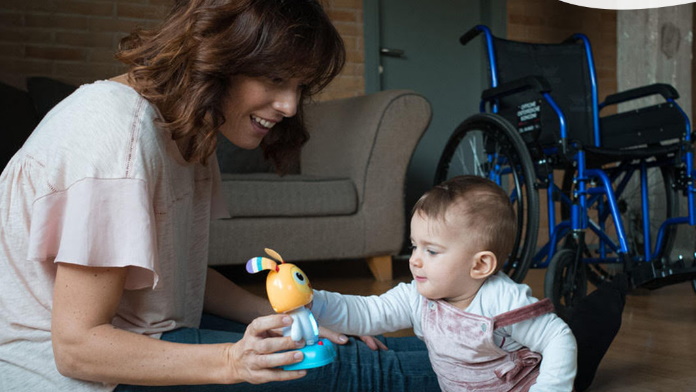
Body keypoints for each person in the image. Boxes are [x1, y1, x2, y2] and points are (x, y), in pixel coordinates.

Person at [0, 1, 440, 391]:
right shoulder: (117, 131)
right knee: (366, 373)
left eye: (300, 87)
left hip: (145, 336)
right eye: (274, 78)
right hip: (73, 376)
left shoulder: (187, 127)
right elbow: (77, 350)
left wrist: (285, 319)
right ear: (215, 56)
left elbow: (173, 273)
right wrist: (233, 361)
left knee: (370, 353)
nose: (289, 105)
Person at [312, 175, 584, 391]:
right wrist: (313, 303)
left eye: (431, 251)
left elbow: (557, 337)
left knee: (569, 346)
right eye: (414, 246)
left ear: (479, 265)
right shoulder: (416, 297)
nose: (415, 260)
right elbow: (365, 312)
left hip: (518, 387)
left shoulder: (502, 301)